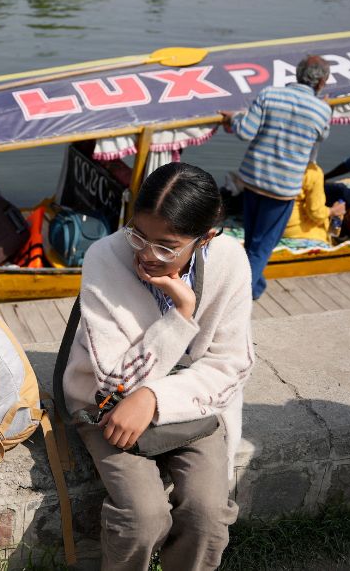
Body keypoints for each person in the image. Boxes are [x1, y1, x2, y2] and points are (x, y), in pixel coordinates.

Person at [61, 162, 254, 571]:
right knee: (143, 518)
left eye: (167, 246)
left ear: (207, 237)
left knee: (207, 517)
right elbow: (112, 381)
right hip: (106, 405)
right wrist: (181, 317)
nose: (147, 255)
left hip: (191, 409)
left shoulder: (231, 261)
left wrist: (153, 397)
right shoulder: (104, 257)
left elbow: (232, 363)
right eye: (138, 235)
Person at [220, 55, 332, 299]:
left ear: (297, 74)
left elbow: (246, 131)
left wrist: (233, 119)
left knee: (252, 240)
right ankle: (240, 297)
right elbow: (321, 136)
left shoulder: (269, 94)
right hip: (282, 190)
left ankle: (256, 287)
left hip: (253, 179)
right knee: (261, 246)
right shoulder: (322, 110)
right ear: (322, 82)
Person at [283, 159, 346, 245]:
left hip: (276, 228)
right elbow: (316, 213)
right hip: (301, 234)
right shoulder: (312, 171)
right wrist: (333, 211)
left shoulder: (267, 163)